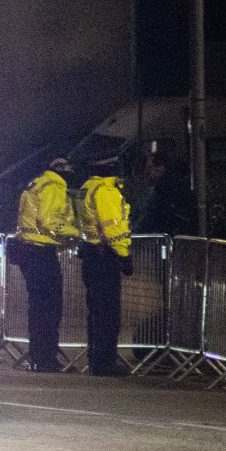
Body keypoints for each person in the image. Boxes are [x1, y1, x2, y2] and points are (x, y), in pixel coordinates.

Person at [10, 157, 78, 372]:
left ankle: (39, 356)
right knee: (50, 308)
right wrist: (76, 233)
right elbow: (50, 221)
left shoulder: (36, 183)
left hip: (28, 250)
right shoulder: (55, 186)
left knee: (38, 308)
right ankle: (46, 358)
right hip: (41, 253)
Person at [74, 157, 133, 376]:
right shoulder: (106, 190)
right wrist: (124, 254)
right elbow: (113, 228)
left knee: (96, 312)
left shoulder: (86, 188)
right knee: (108, 313)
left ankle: (97, 359)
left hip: (91, 253)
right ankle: (105, 362)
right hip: (105, 256)